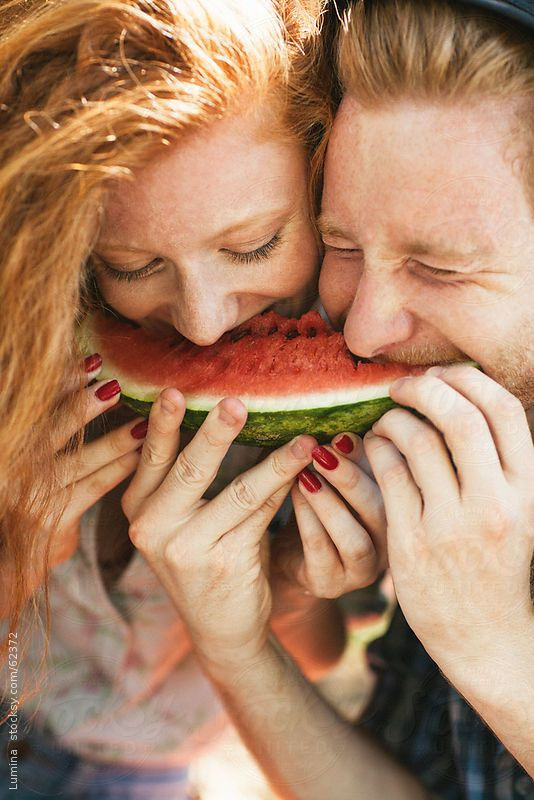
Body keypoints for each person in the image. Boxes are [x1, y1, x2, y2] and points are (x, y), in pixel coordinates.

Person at [117, 0, 534, 798]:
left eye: (440, 270)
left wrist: (499, 653)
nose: (366, 331)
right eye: (340, 246)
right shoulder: (450, 457)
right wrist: (238, 650)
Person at [0, 0, 371, 796]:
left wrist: (289, 590)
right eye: (131, 266)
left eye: (252, 246)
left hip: (156, 772)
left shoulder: (361, 425)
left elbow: (323, 659)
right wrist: (15, 556)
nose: (202, 328)